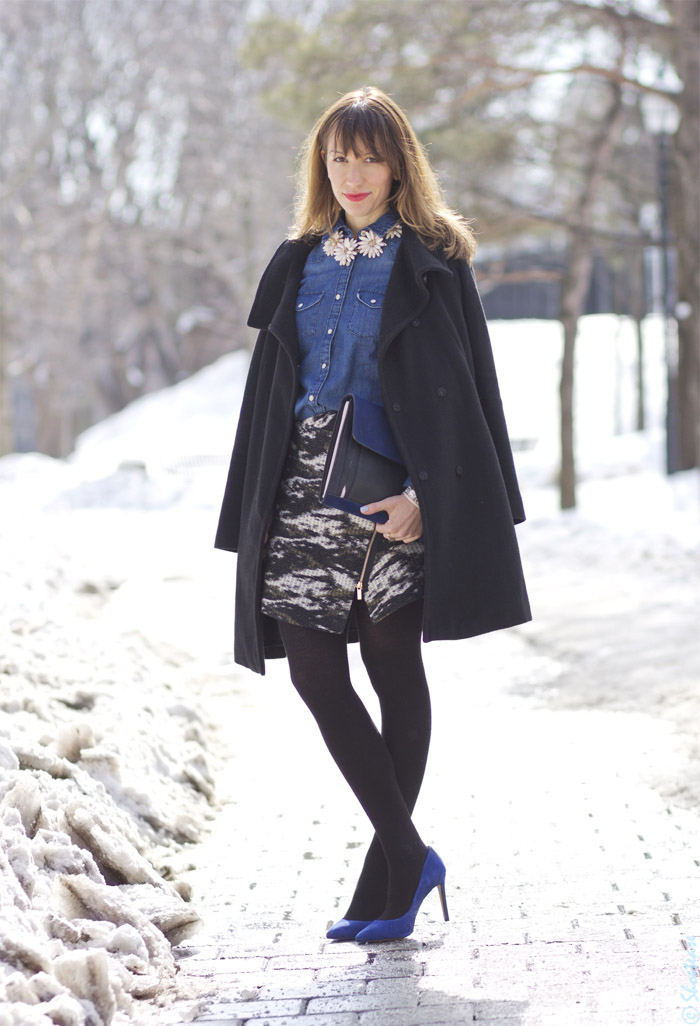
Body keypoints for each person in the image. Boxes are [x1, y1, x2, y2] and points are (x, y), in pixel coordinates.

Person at [215, 86, 531, 943]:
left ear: (400, 165)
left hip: (394, 484)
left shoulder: (434, 261)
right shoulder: (297, 260)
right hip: (300, 484)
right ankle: (407, 857)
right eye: (338, 157)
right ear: (323, 164)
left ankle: (388, 875)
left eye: (370, 157)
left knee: (393, 661)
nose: (352, 174)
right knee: (316, 673)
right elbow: (270, 391)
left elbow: (470, 397)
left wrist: (432, 500)